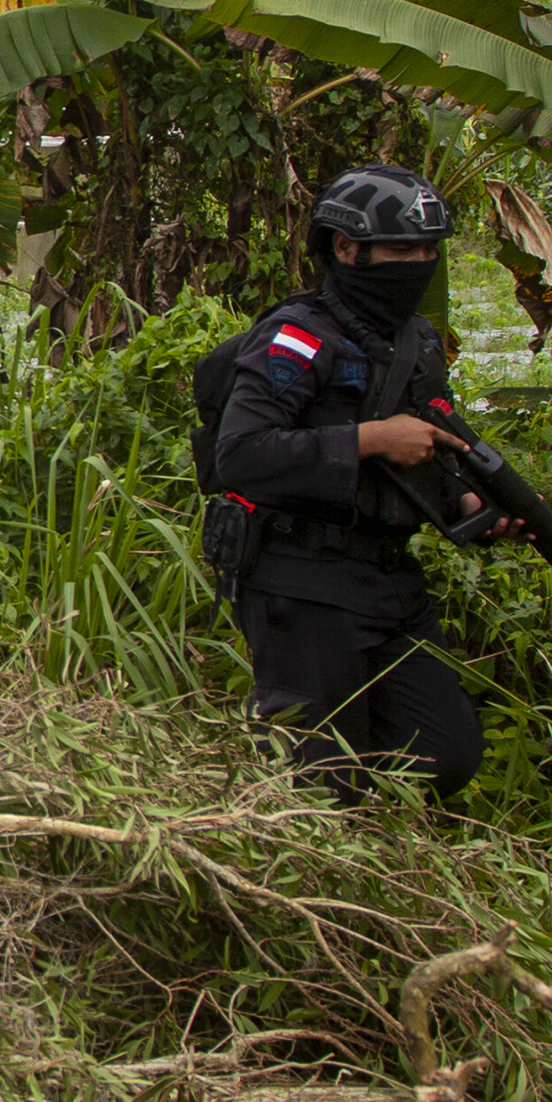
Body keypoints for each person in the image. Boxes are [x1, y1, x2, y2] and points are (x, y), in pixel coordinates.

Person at [205, 163, 516, 804]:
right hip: (300, 579)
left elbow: (433, 450)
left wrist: (466, 501)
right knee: (320, 786)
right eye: (402, 249)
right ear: (346, 249)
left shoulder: (419, 341)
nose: (419, 262)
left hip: (389, 583)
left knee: (446, 753)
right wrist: (369, 440)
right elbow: (241, 454)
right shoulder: (295, 337)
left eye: (429, 250)